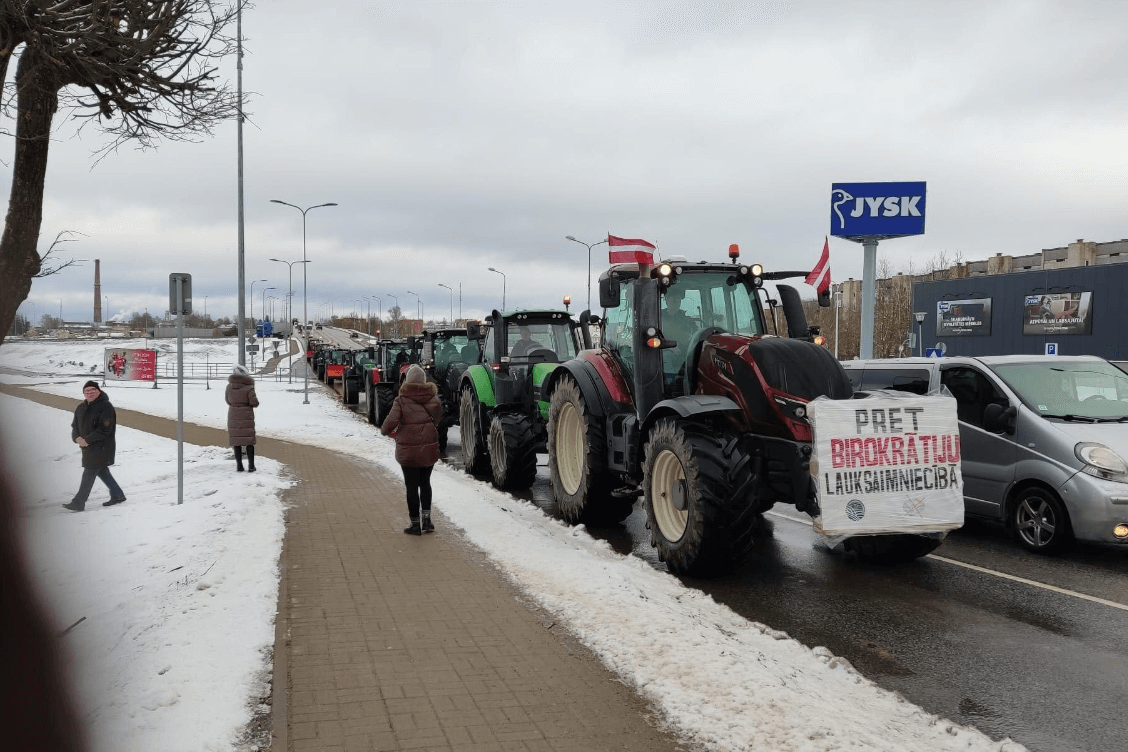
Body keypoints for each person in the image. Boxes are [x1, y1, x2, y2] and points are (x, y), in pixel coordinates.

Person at [380, 364, 443, 535]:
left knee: (411, 487)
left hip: (408, 451)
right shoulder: (434, 399)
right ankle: (427, 521)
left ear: (406, 381)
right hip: (428, 448)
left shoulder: (400, 401)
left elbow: (388, 425)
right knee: (425, 483)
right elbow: (437, 420)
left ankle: (415, 525)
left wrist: (388, 432)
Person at [64, 381, 126, 511]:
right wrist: (77, 438)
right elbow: (74, 426)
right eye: (87, 391)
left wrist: (87, 440)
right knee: (102, 471)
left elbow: (105, 429)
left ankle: (78, 502)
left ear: (98, 391)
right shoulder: (80, 407)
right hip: (86, 447)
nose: (90, 393)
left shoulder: (106, 406)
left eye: (93, 390)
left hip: (102, 447)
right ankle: (118, 495)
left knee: (89, 472)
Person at [226, 364, 259, 472]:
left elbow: (228, 401)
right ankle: (251, 466)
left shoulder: (229, 387)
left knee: (237, 441)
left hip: (233, 414)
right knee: (249, 441)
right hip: (246, 415)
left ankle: (239, 466)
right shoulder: (249, 387)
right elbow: (254, 403)